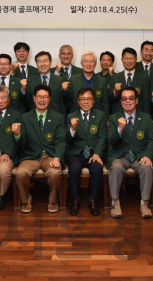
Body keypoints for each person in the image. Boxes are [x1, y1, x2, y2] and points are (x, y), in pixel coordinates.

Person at [14, 84, 66, 213]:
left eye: (45, 97)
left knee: (55, 173)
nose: (42, 100)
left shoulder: (57, 117)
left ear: (49, 99)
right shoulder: (25, 117)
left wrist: (57, 157)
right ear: (34, 98)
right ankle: (26, 200)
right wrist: (17, 135)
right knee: (20, 173)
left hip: (49, 156)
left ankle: (53, 200)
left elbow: (61, 140)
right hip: (30, 156)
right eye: (39, 97)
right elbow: (22, 142)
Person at [106, 87, 153, 219]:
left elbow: (152, 141)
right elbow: (111, 140)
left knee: (147, 167)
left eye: (131, 98)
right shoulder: (113, 118)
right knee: (116, 168)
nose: (127, 101)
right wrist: (120, 129)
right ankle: (115, 202)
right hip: (120, 155)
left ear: (136, 100)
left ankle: (144, 203)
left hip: (139, 156)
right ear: (121, 101)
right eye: (124, 98)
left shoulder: (146, 118)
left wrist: (147, 155)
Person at [66, 87, 107, 217]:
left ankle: (93, 199)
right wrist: (72, 128)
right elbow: (66, 138)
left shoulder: (100, 115)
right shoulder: (71, 116)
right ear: (78, 101)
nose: (86, 102)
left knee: (96, 168)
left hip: (93, 153)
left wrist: (97, 154)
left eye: (89, 99)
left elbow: (102, 137)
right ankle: (75, 199)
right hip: (76, 154)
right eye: (83, 99)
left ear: (93, 101)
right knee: (74, 168)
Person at [65, 51, 109, 116]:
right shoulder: (73, 79)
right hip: (77, 117)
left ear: (95, 64)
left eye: (91, 61)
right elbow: (68, 100)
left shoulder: (102, 81)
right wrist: (64, 91)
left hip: (97, 118)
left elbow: (105, 103)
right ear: (81, 64)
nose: (88, 64)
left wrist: (106, 120)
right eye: (86, 61)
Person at [23, 51, 66, 116]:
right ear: (36, 64)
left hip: (55, 118)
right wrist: (23, 90)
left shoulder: (59, 80)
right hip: (35, 117)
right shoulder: (30, 80)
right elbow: (26, 102)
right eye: (39, 61)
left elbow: (62, 103)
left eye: (45, 61)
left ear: (51, 62)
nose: (42, 64)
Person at [109, 48, 149, 114]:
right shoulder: (115, 77)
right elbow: (109, 99)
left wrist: (146, 117)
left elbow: (146, 102)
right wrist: (115, 92)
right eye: (126, 59)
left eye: (131, 58)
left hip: (137, 115)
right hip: (118, 115)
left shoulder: (143, 78)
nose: (129, 61)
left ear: (136, 59)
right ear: (122, 60)